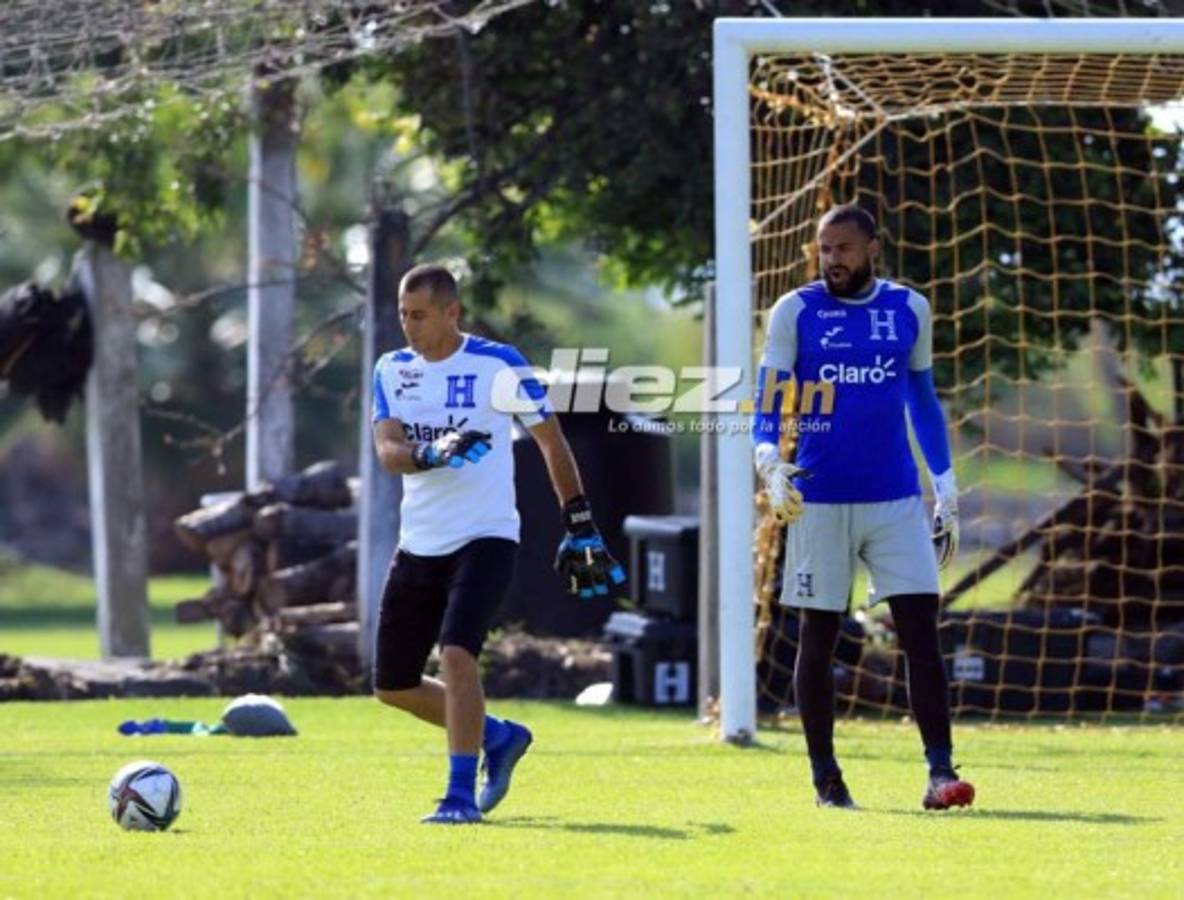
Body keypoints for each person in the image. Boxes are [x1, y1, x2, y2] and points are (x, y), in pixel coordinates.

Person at [370, 263, 625, 824]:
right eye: (402, 315)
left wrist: (578, 519)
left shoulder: (499, 364)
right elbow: (387, 451)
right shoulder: (391, 370)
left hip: (486, 537)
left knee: (457, 655)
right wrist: (430, 454)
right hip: (419, 543)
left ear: (451, 311)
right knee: (392, 685)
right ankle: (499, 736)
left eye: (419, 315)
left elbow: (551, 443)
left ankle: (459, 797)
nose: (408, 326)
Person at [751, 204, 974, 811]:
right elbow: (768, 404)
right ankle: (827, 779)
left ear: (873, 247)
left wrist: (945, 483)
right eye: (825, 249)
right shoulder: (796, 311)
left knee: (921, 635)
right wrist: (768, 460)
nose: (833, 260)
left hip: (896, 499)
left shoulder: (908, 309)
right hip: (818, 501)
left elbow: (923, 401)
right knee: (817, 638)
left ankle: (939, 773)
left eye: (844, 248)